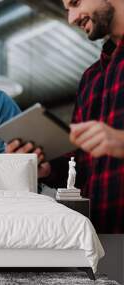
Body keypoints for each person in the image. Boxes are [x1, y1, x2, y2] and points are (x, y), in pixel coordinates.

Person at [7, 0, 124, 233]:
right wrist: (47, 168)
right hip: (100, 236)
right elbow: (79, 168)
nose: (71, 18)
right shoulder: (91, 78)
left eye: (75, 2)